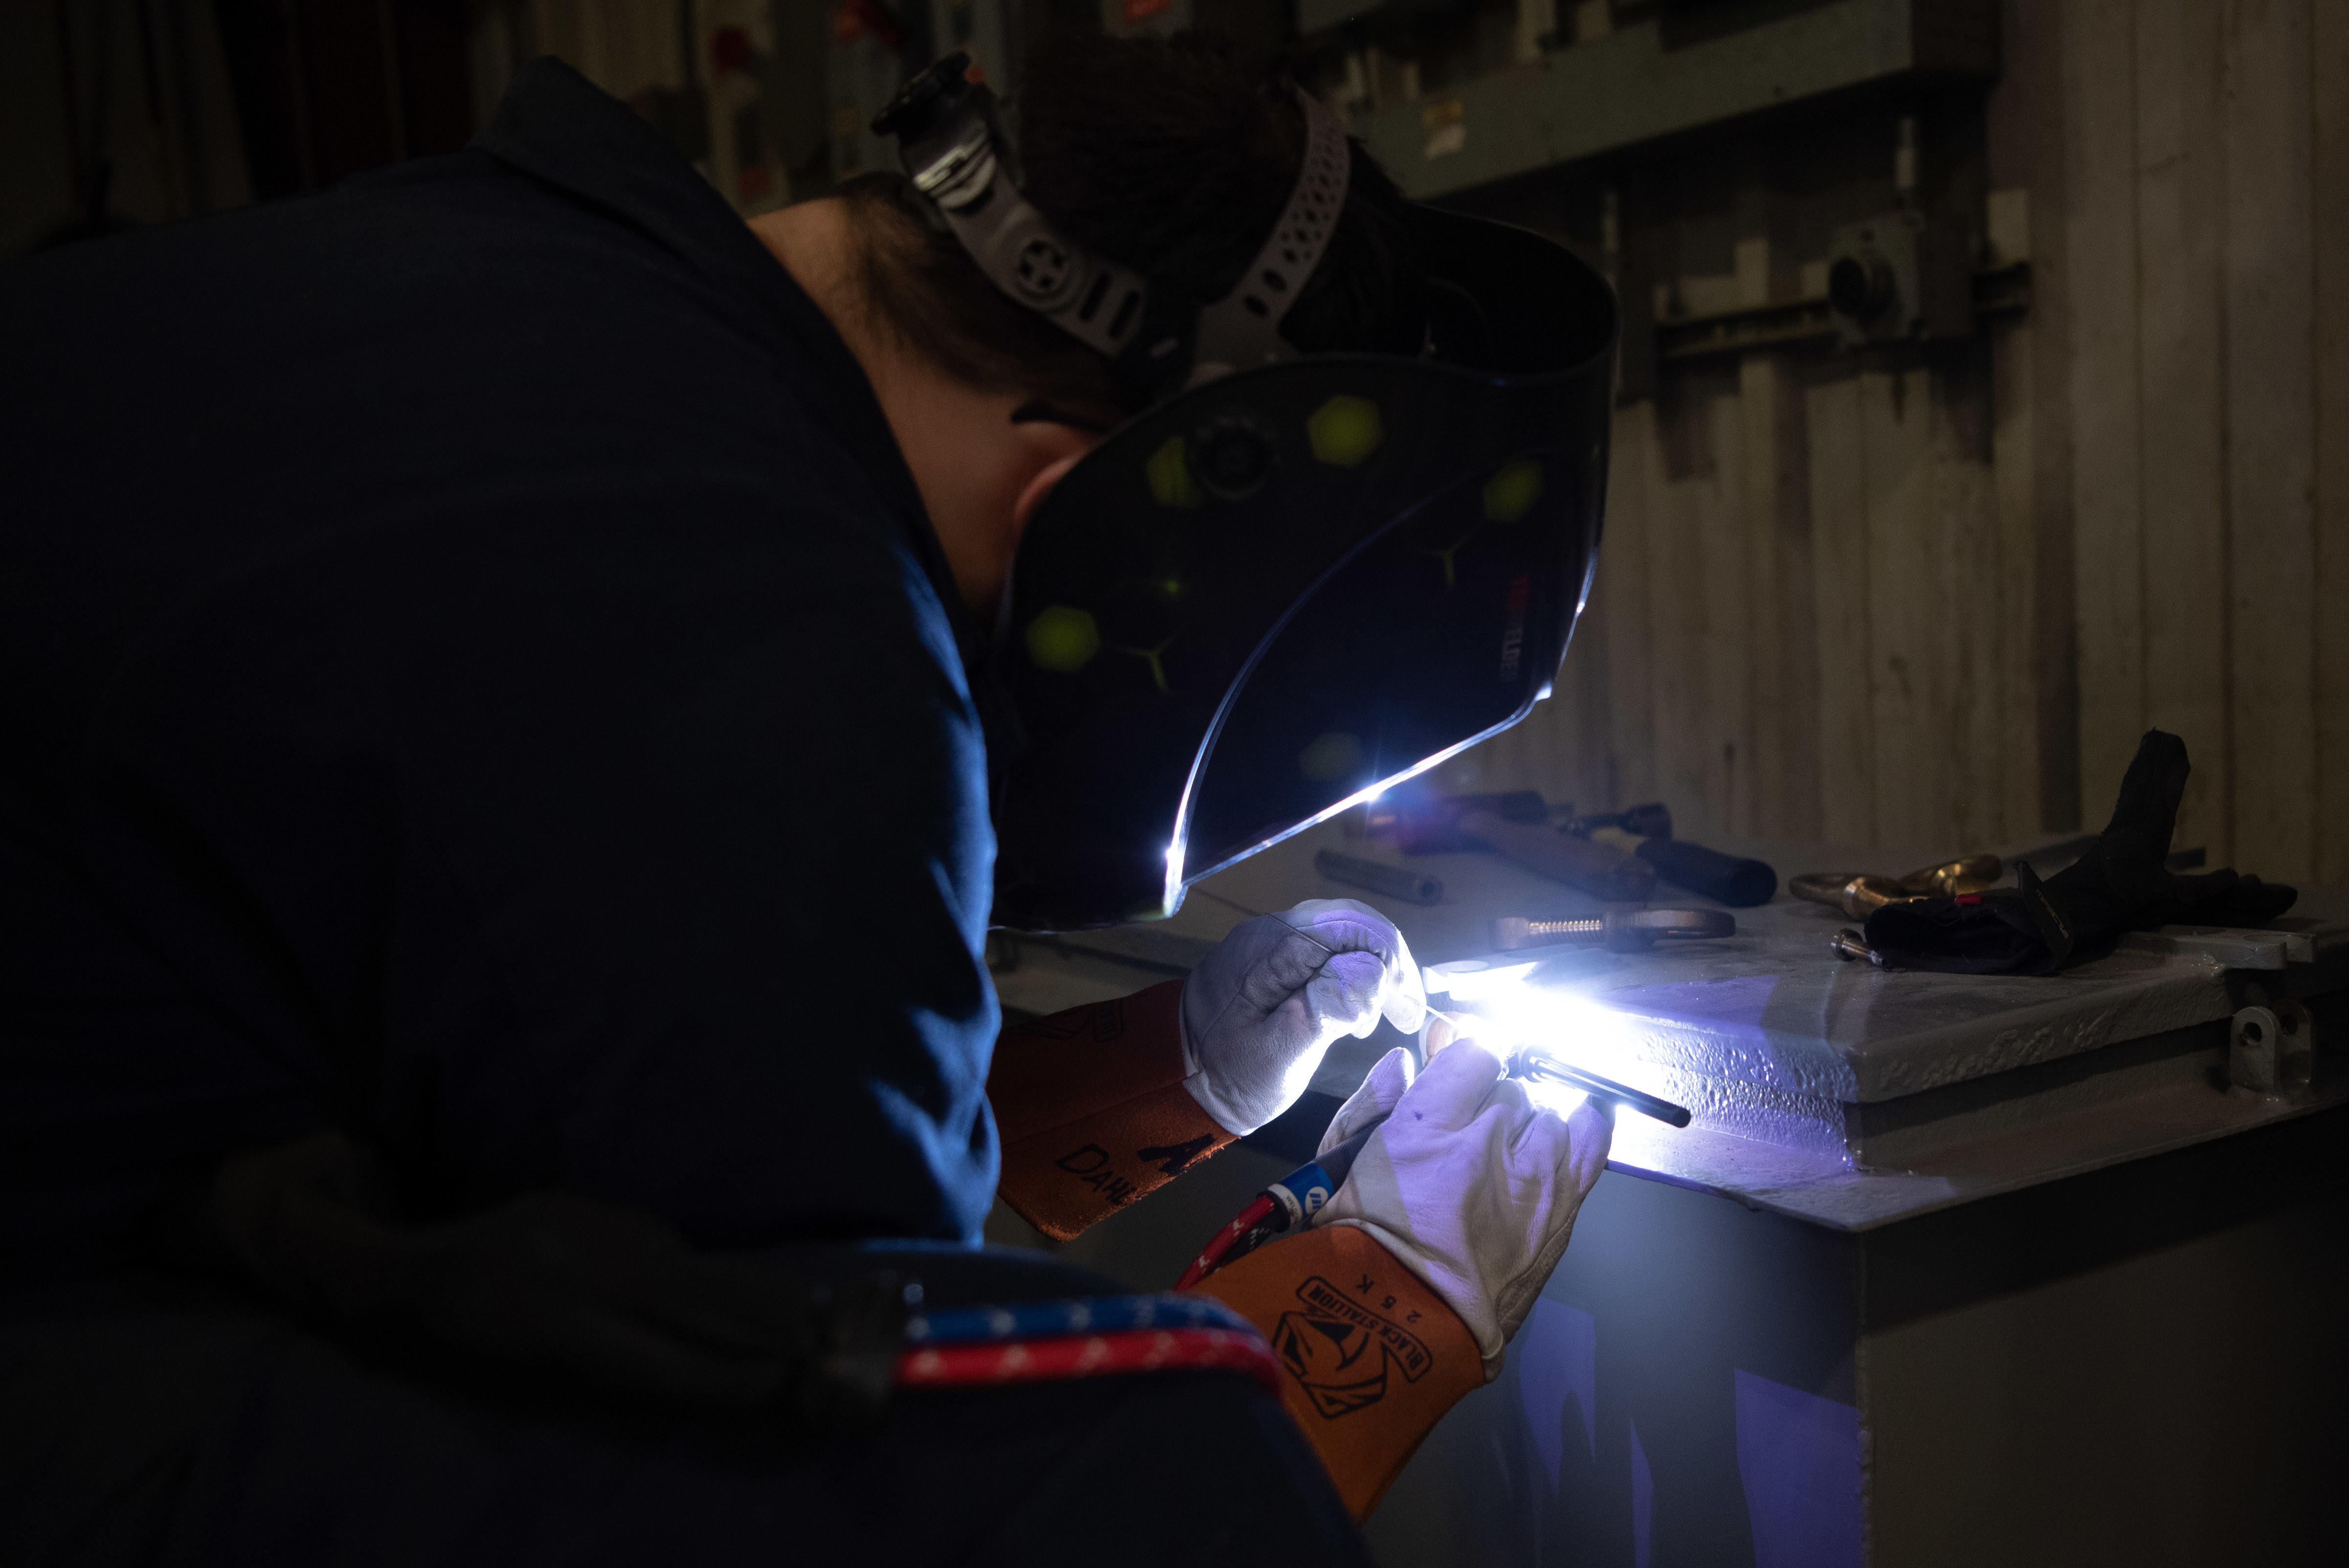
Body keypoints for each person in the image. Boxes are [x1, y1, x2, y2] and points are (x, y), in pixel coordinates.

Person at [0, 28, 1613, 1564]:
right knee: (1170, 1460)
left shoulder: (528, 302)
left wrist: (1165, 1079)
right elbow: (841, 1439)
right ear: (1093, 507)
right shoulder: (750, 629)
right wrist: (1383, 1296)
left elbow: (626, 1174)